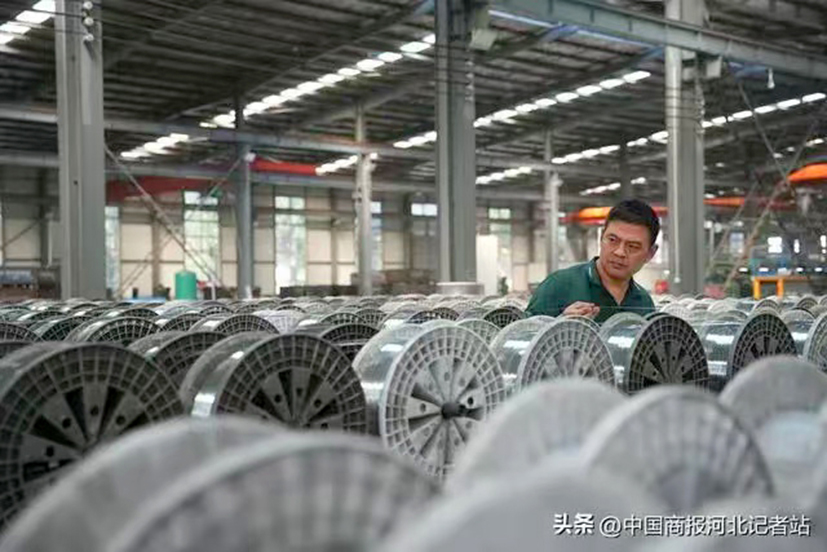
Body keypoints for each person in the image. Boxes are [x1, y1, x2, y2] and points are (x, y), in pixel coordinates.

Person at [526, 199, 659, 324]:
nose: (619, 252)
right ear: (601, 237)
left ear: (650, 254)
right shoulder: (559, 286)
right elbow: (521, 334)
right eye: (612, 240)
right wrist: (560, 325)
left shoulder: (643, 302)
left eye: (632, 246)